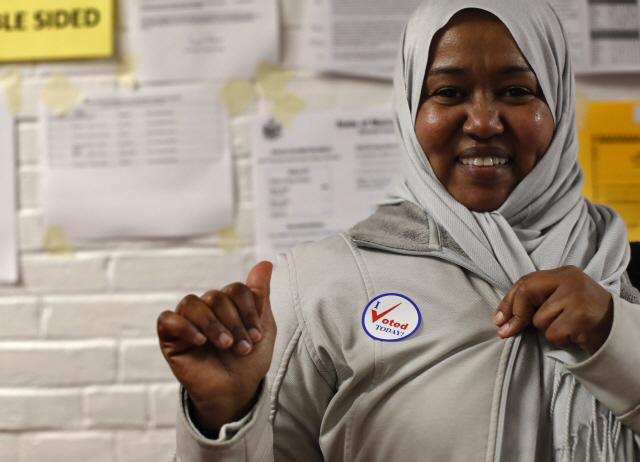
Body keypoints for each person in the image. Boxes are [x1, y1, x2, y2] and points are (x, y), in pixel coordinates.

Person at [158, 1, 640, 460]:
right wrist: (224, 416)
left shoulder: (621, 272)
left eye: (516, 91)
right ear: (409, 108)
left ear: (557, 99)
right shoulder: (320, 284)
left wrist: (614, 335)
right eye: (448, 93)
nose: (483, 122)